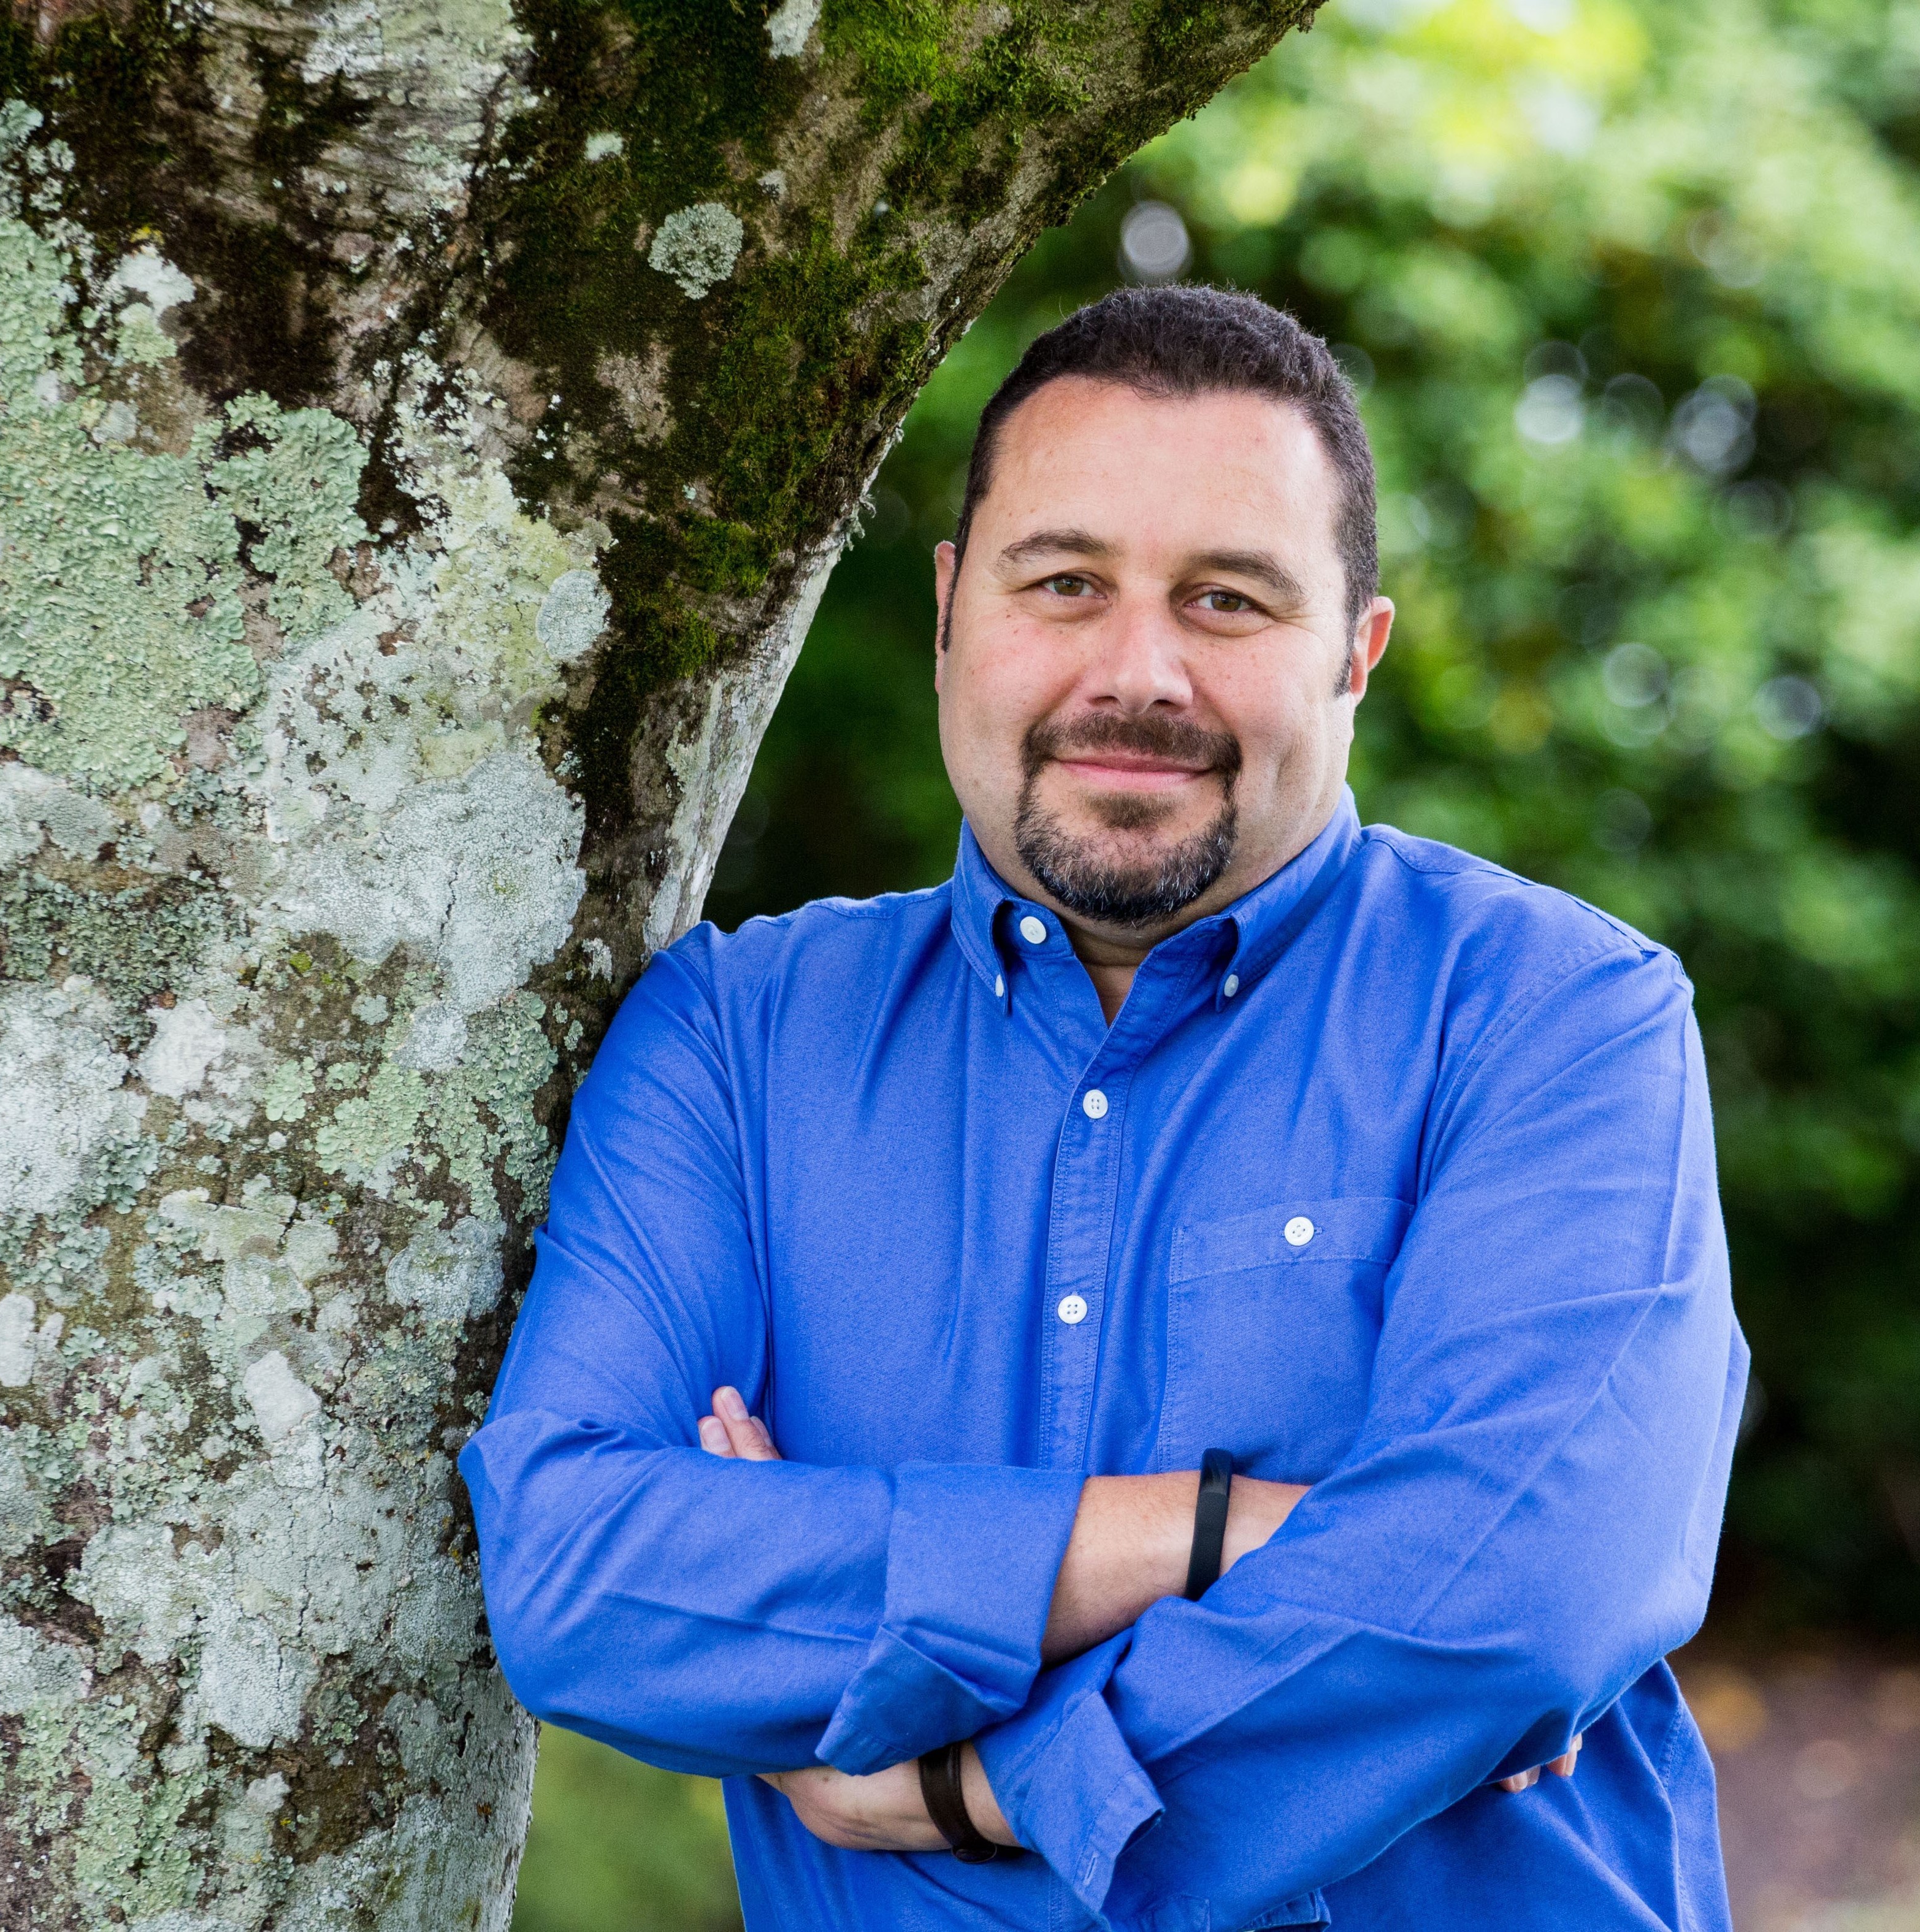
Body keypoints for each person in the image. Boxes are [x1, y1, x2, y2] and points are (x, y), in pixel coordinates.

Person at [461, 285, 1747, 1931]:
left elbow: (1518, 1598)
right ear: (949, 610)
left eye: (1228, 601)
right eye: (1062, 584)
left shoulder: (1555, 1020)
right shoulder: (731, 1043)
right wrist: (1208, 1536)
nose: (1136, 674)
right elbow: (578, 1582)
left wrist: (965, 1783)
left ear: (1354, 656)